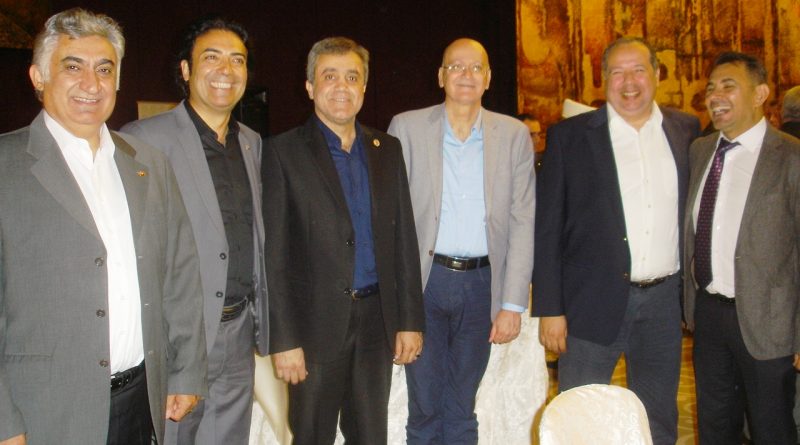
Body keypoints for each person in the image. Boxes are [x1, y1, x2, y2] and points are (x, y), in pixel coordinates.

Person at [0, 8, 207, 445]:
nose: (91, 84)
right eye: (73, 67)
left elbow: (181, 273)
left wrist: (187, 369)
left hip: (139, 401)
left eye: (105, 69)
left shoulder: (148, 164)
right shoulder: (6, 167)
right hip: (43, 412)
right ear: (38, 77)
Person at [533, 36, 699, 444]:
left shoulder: (685, 131)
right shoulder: (570, 137)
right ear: (604, 79)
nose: (629, 82)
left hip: (663, 304)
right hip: (590, 301)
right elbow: (548, 229)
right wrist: (551, 309)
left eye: (638, 70)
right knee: (581, 415)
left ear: (656, 74)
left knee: (658, 417)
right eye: (617, 72)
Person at [263, 36, 425, 445]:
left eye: (352, 77)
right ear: (309, 86)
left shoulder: (387, 149)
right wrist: (285, 340)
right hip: (313, 328)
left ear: (364, 87)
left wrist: (409, 320)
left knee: (371, 436)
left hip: (376, 323)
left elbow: (404, 240)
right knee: (312, 437)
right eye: (329, 76)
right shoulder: (281, 153)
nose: (341, 86)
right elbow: (274, 257)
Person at [121, 16, 270, 445]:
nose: (226, 70)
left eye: (237, 60)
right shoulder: (142, 140)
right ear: (186, 69)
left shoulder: (251, 142)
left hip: (238, 331)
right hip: (179, 338)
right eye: (212, 57)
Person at [388, 38, 535, 444]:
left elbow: (524, 220)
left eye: (475, 68)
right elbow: (392, 219)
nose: (466, 75)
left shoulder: (514, 135)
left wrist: (511, 304)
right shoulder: (407, 128)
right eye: (456, 66)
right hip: (425, 282)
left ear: (488, 78)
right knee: (424, 406)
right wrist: (399, 303)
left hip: (482, 286)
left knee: (461, 406)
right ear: (441, 76)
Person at [683, 51, 800, 445]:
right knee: (715, 428)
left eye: (728, 86)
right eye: (711, 88)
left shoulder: (791, 156)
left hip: (770, 322)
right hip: (709, 315)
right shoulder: (700, 151)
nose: (715, 95)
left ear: (760, 94)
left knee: (772, 429)